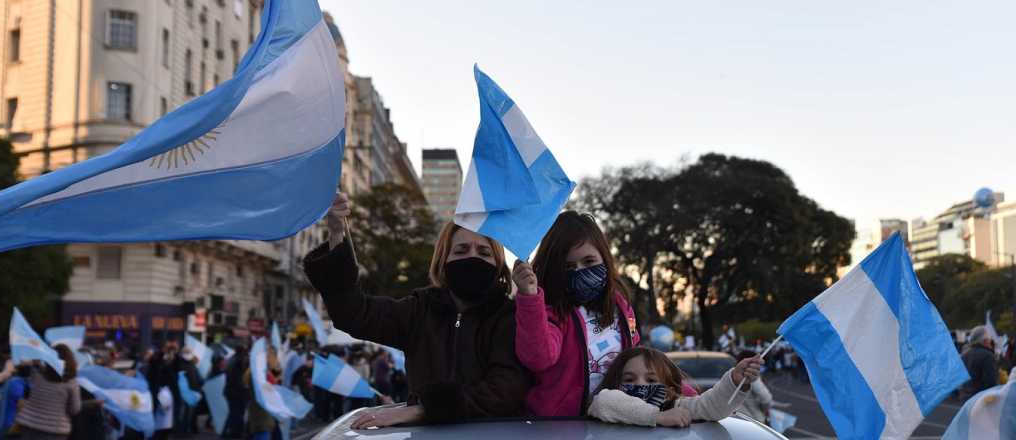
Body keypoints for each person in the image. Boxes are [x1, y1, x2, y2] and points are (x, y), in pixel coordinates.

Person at [303, 193, 531, 429]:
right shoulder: (420, 308)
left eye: (484, 253)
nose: (472, 257)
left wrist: (423, 410)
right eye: (461, 250)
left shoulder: (509, 315)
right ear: (443, 260)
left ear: (497, 265)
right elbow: (354, 313)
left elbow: (506, 390)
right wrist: (337, 233)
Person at [513, 211, 641, 416]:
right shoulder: (550, 312)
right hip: (561, 428)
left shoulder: (621, 308)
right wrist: (529, 298)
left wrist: (682, 395)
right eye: (568, 267)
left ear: (605, 258)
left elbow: (638, 362)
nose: (580, 271)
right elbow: (538, 357)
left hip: (616, 422)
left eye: (589, 261)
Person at [588, 347, 762, 428]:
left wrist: (735, 380)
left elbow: (710, 407)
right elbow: (603, 402)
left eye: (651, 380)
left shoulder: (672, 405)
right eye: (629, 379)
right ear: (615, 382)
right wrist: (658, 417)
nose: (640, 384)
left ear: (669, 388)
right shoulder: (607, 403)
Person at [14, 345, 82, 439]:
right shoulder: (71, 382)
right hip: (56, 429)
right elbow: (75, 409)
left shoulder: (37, 374)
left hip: (29, 424)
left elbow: (20, 365)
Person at [244, 349, 279, 440]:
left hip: (260, 411)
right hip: (262, 412)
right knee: (262, 434)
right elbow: (266, 391)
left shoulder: (257, 373)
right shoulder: (257, 374)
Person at [959, 325, 998, 401]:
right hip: (980, 400)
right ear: (984, 340)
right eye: (989, 338)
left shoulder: (964, 354)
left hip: (965, 398)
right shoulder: (988, 355)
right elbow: (990, 382)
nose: (990, 341)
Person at [734, 350, 773, 423]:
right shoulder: (752, 377)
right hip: (753, 420)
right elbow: (766, 399)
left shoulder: (732, 375)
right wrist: (763, 410)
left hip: (734, 419)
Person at [222, 346, 249, 438]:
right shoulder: (239, 362)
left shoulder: (232, 360)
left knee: (233, 413)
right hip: (236, 392)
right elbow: (238, 381)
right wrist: (245, 389)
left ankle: (226, 433)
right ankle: (234, 433)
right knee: (237, 414)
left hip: (230, 391)